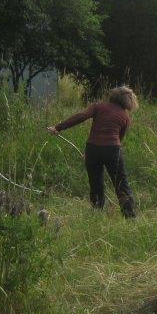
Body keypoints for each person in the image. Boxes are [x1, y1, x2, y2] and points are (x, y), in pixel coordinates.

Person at [48, 86, 138, 218]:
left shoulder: (98, 107)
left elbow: (81, 117)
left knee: (95, 183)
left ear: (113, 96)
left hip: (92, 149)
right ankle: (130, 217)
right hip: (113, 150)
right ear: (128, 101)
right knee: (121, 184)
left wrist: (58, 127)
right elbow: (119, 139)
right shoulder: (125, 117)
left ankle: (96, 213)